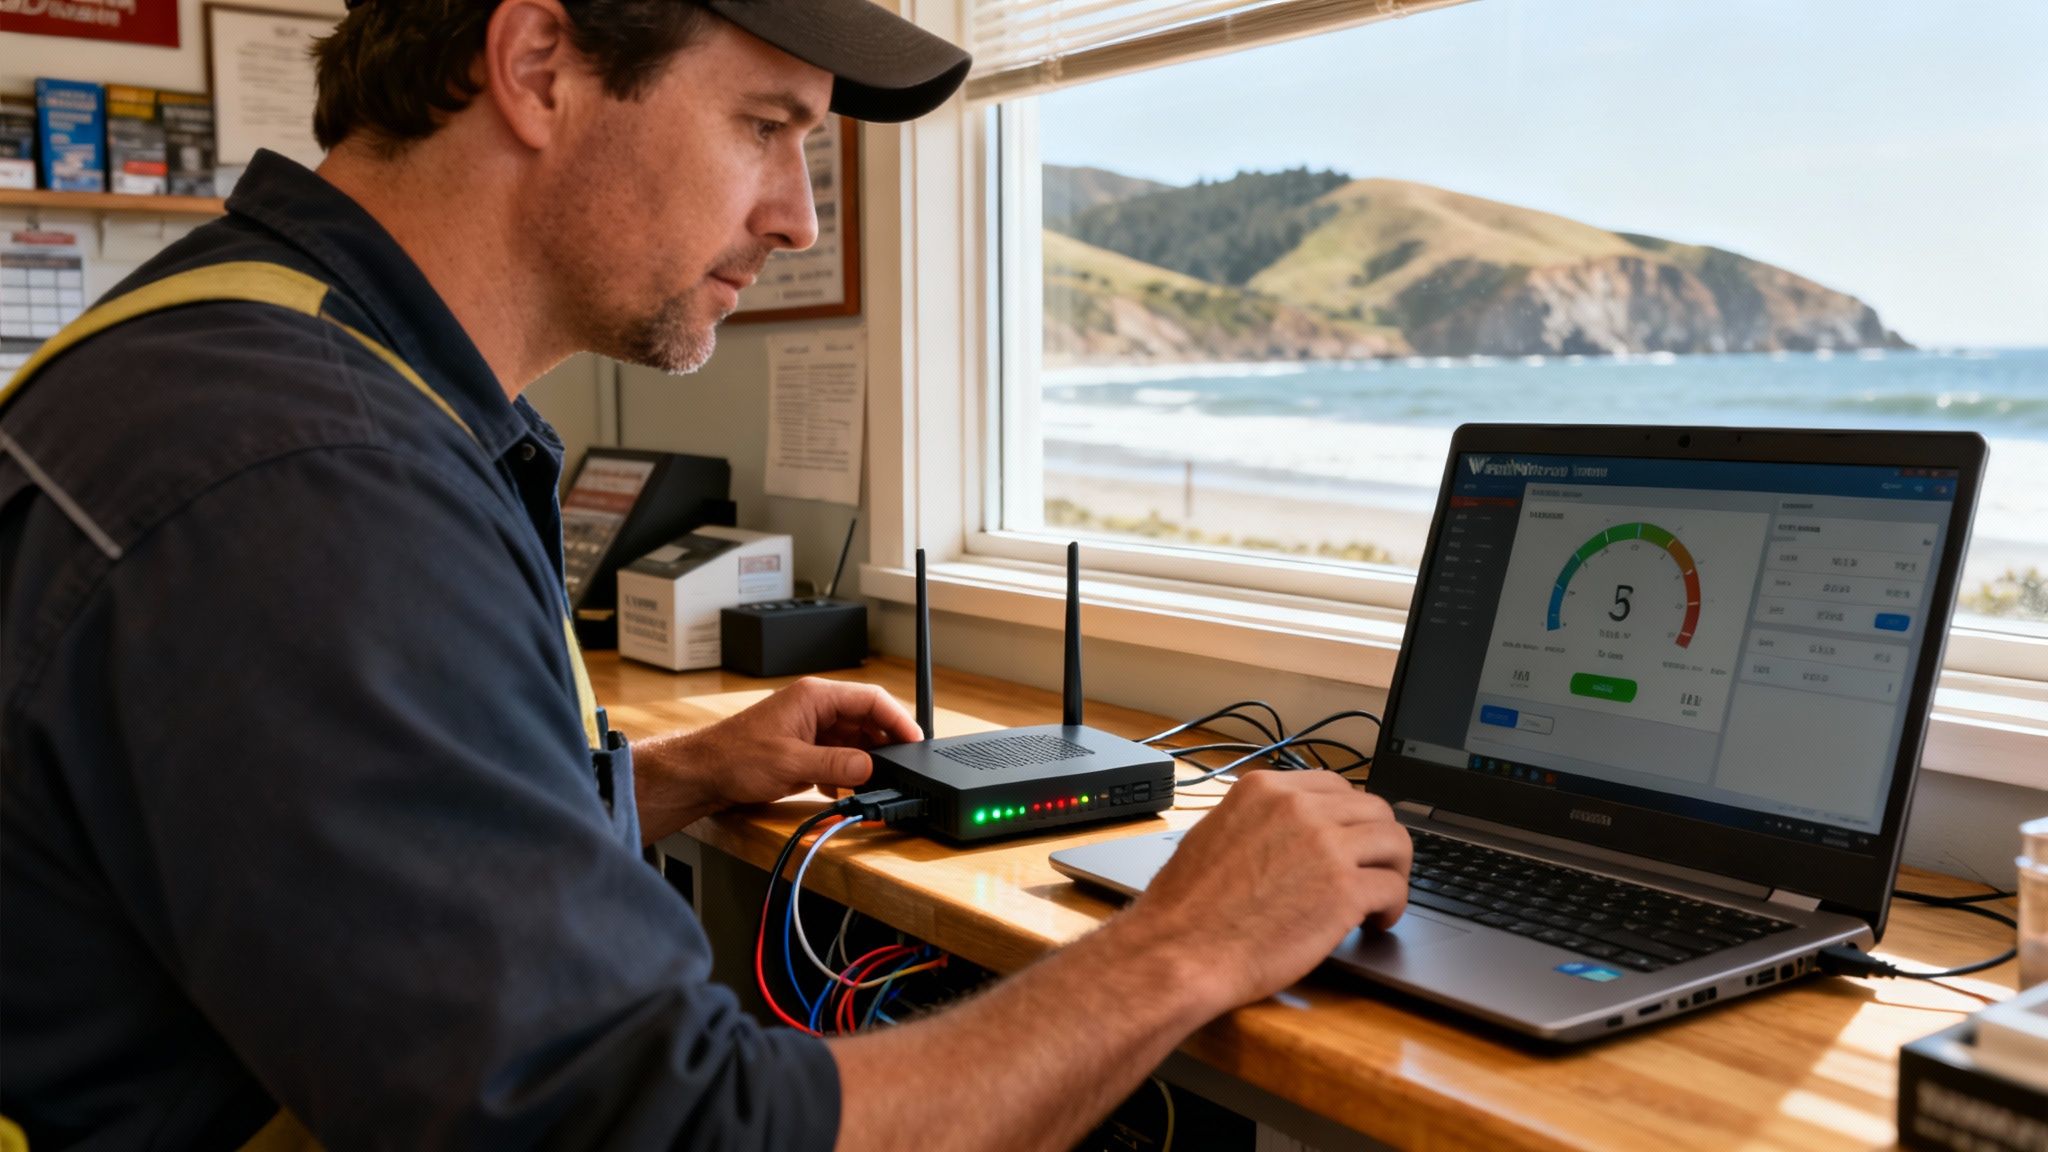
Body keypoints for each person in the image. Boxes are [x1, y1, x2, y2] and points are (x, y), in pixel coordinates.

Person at [0, 1, 1414, 1147]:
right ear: (540, 67)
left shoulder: (241, 347)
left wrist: (668, 781)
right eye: (765, 127)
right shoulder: (307, 477)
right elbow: (666, 1129)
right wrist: (1186, 947)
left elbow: (294, 840)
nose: (797, 215)